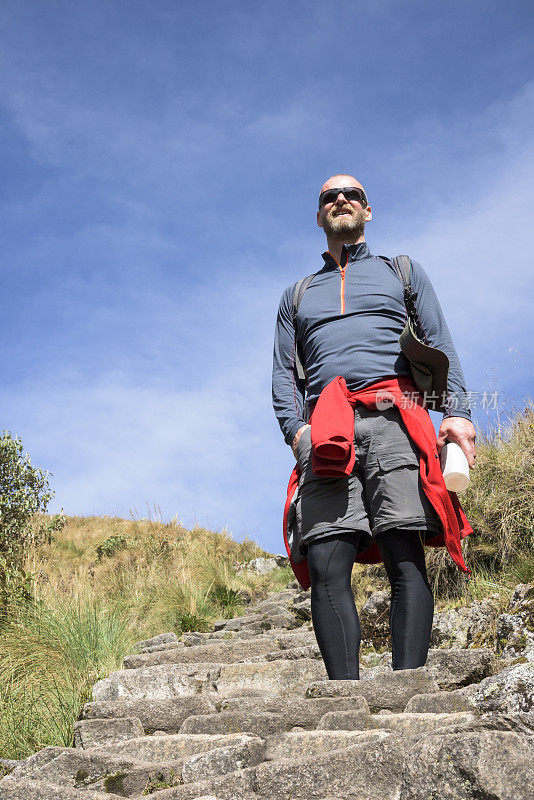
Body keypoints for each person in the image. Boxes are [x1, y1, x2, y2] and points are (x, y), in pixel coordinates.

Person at [271, 174, 476, 679]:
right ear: (320, 216)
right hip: (325, 431)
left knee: (403, 553)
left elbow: (440, 341)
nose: (340, 200)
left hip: (394, 423)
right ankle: (346, 697)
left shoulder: (401, 271)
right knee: (326, 563)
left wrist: (457, 413)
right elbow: (282, 376)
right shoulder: (296, 295)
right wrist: (300, 435)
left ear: (368, 210)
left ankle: (407, 690)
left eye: (352, 195)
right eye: (329, 197)